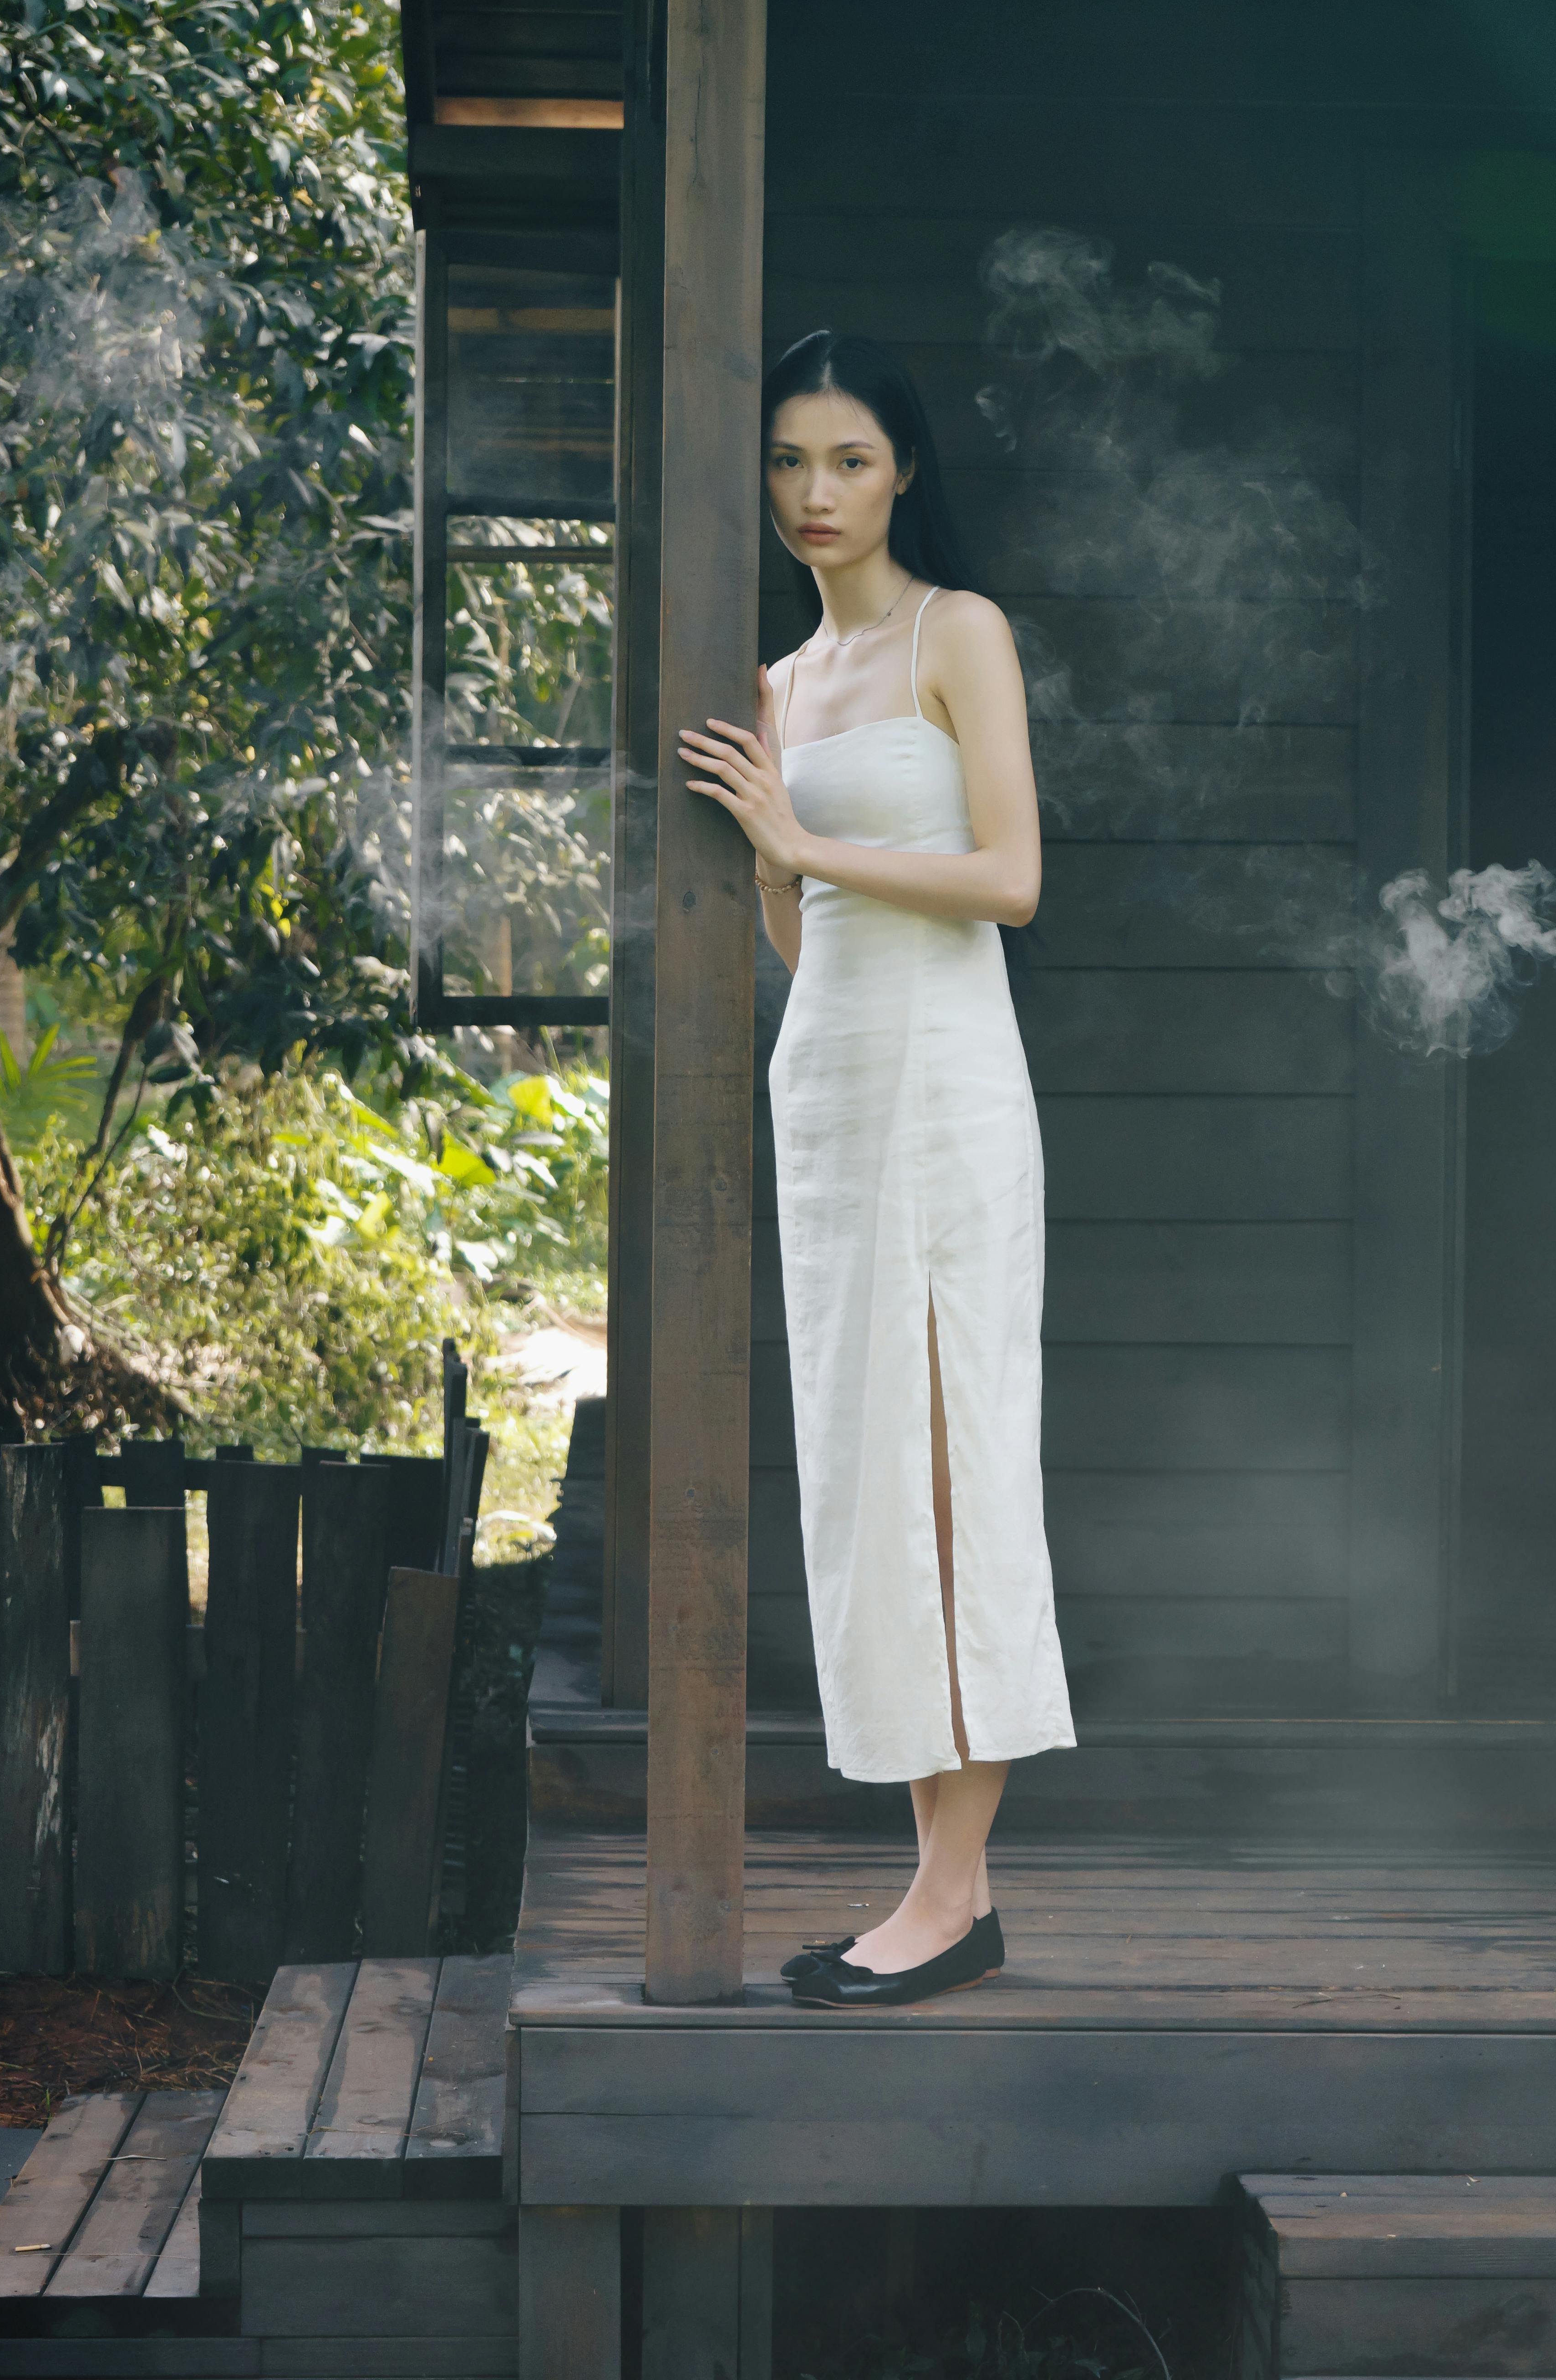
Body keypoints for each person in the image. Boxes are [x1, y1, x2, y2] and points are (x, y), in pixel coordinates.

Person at [677, 330, 1075, 2007]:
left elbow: (1011, 881)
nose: (814, 493)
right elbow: (793, 930)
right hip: (827, 1092)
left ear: (903, 467)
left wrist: (799, 837)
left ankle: (952, 1893)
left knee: (951, 1461)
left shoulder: (953, 633)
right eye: (787, 463)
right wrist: (785, 862)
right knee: (863, 1478)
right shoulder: (778, 685)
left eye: (846, 459)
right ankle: (934, 1879)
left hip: (949, 1089)